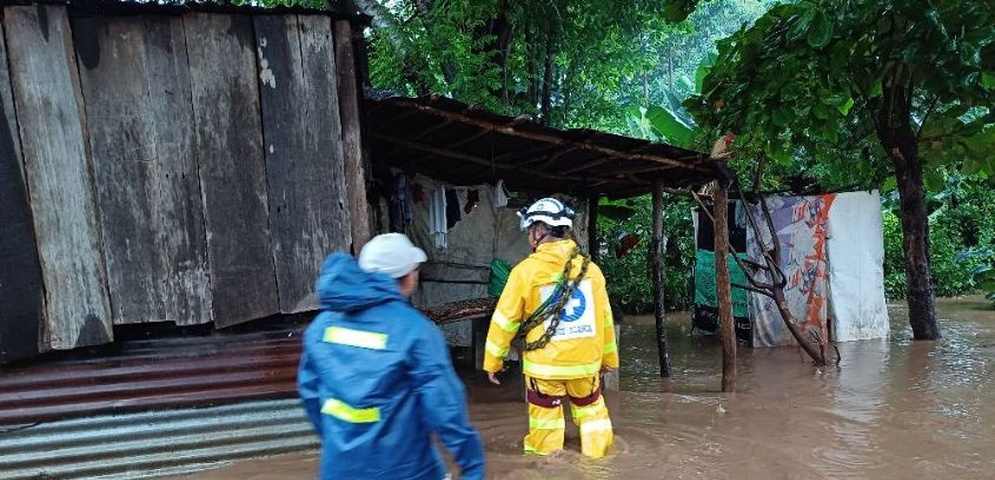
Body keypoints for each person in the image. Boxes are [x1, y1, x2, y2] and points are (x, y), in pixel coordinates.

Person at [298, 233, 485, 480]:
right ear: (407, 278)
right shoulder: (416, 331)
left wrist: (343, 446)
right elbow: (446, 409)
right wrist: (472, 468)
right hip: (406, 470)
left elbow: (310, 395)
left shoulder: (321, 327)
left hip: (338, 468)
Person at [482, 197, 619, 459]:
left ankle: (547, 468)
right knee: (593, 416)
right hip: (585, 365)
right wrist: (609, 359)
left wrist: (493, 361)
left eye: (529, 230)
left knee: (546, 426)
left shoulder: (524, 272)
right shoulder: (593, 271)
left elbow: (505, 321)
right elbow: (604, 321)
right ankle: (600, 466)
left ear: (539, 231)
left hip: (544, 370)